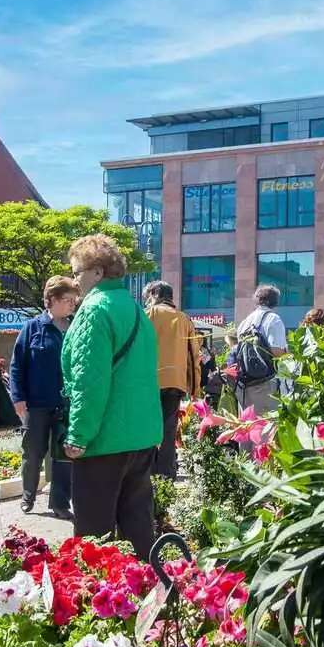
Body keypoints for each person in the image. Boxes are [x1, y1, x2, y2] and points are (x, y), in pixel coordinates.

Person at [61, 234, 162, 560]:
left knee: (94, 536)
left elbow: (89, 381)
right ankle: (151, 593)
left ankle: (96, 604)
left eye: (78, 272)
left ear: (98, 273)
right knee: (138, 526)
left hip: (105, 438)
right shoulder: (136, 310)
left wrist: (78, 435)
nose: (75, 280)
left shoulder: (94, 311)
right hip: (142, 435)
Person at [9, 276, 78, 520]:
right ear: (51, 300)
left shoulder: (75, 328)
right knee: (33, 452)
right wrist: (18, 398)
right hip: (36, 404)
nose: (72, 304)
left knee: (62, 455)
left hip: (64, 405)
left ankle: (59, 503)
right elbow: (17, 365)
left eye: (74, 300)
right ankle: (28, 496)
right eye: (67, 300)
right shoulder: (33, 328)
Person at [143, 280, 201, 481]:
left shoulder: (147, 315)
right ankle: (166, 472)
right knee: (169, 428)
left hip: (148, 380)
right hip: (175, 381)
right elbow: (194, 355)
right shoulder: (184, 319)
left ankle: (147, 470)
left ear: (154, 294)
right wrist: (195, 387)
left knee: (147, 425)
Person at [235, 285, 287, 416]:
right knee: (266, 428)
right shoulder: (273, 319)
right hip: (265, 383)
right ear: (275, 302)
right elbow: (276, 351)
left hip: (245, 383)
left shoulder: (245, 321)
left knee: (249, 427)